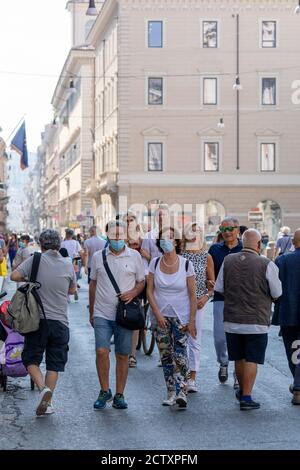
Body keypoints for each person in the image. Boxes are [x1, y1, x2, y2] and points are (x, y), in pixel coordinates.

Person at [10, 230, 77, 416]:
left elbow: (14, 276)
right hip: (61, 322)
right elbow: (72, 290)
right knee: (54, 364)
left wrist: (31, 279)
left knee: (30, 358)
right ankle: (48, 402)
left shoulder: (36, 260)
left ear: (41, 244)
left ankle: (43, 390)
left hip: (38, 321)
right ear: (59, 244)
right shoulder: (67, 264)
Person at [215, 229, 282, 410]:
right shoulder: (267, 264)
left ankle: (242, 391)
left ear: (242, 242)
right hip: (256, 321)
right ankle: (246, 396)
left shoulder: (228, 261)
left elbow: (219, 287)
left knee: (238, 357)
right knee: (252, 358)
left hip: (232, 320)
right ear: (259, 245)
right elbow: (277, 292)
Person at [89, 220, 145, 410]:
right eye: (114, 235)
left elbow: (141, 282)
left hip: (125, 315)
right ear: (107, 236)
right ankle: (104, 390)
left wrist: (134, 293)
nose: (118, 239)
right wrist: (91, 311)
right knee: (101, 351)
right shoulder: (97, 257)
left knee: (122, 354)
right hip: (102, 313)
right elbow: (93, 284)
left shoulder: (135, 256)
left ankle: (120, 394)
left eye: (121, 235)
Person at [147, 227, 197, 409]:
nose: (165, 241)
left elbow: (192, 295)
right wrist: (157, 314)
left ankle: (182, 390)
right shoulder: (154, 263)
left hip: (181, 317)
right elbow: (149, 291)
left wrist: (191, 321)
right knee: (165, 355)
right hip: (161, 317)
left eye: (169, 238)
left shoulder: (186, 264)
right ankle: (170, 392)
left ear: (176, 241)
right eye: (162, 238)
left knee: (180, 354)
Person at [208, 216, 243, 385]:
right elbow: (209, 272)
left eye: (230, 229)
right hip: (220, 298)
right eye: (223, 229)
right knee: (220, 337)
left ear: (237, 230)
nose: (227, 233)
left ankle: (239, 373)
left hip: (242, 300)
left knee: (238, 336)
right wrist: (210, 282)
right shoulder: (214, 249)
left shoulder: (245, 248)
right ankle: (223, 362)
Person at [182, 223, 215, 392]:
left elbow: (212, 285)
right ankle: (180, 376)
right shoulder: (179, 255)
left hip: (198, 304)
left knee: (194, 340)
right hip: (179, 303)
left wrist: (206, 297)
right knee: (179, 340)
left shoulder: (206, 257)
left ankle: (192, 379)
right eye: (191, 232)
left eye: (197, 232)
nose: (194, 235)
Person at [272, 229, 300, 405]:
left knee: (293, 350)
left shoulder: (282, 260)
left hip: (288, 312)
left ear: (293, 242)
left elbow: (273, 287)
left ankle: (297, 385)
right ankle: (298, 386)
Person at [61, 229, 84, 294]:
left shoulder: (62, 243)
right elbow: (80, 252)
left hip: (65, 261)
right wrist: (83, 261)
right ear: (72, 235)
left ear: (66, 235)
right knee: (75, 275)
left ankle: (68, 287)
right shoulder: (76, 243)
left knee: (67, 275)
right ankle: (75, 287)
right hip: (75, 260)